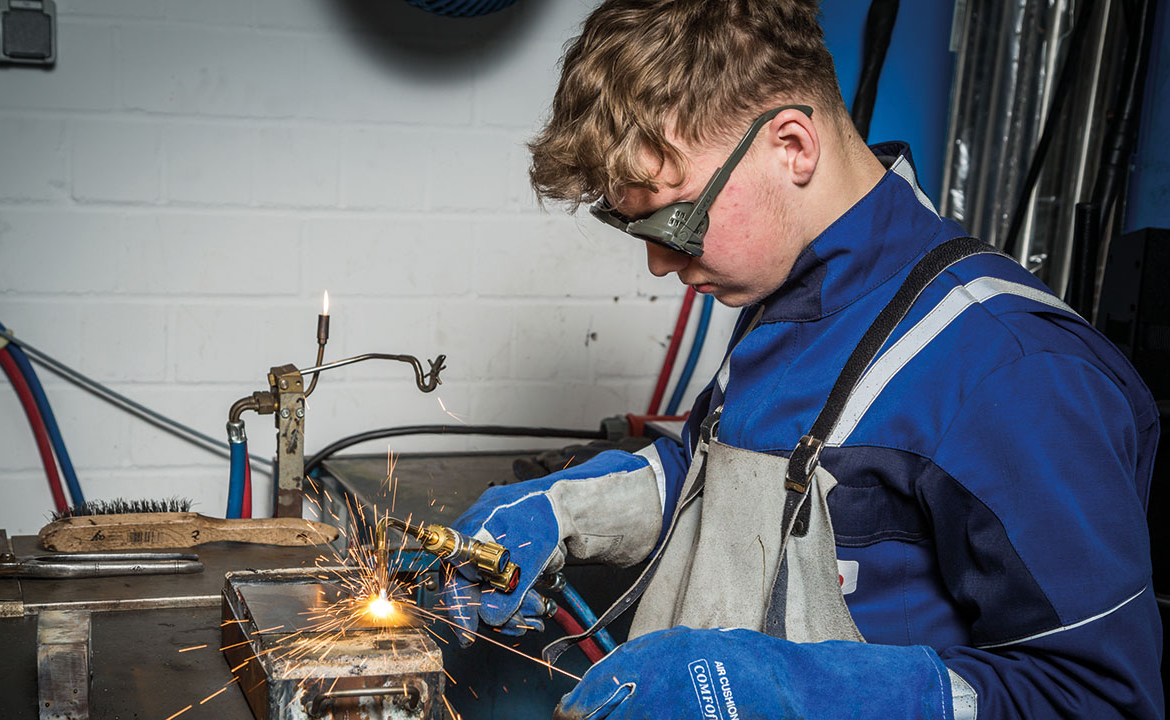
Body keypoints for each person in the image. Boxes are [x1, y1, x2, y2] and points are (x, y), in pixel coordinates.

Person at [441, 1, 1163, 718]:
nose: (660, 263)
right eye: (635, 228)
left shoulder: (1016, 371)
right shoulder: (781, 292)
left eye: (674, 220)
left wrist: (790, 696)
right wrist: (565, 506)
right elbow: (719, 478)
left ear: (792, 145)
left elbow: (1097, 698)